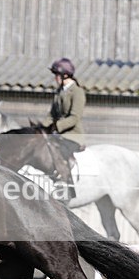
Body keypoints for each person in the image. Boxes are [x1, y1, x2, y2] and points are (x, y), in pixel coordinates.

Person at [47, 57, 86, 199]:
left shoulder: (77, 92)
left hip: (72, 135)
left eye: (56, 75)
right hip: (58, 133)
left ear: (64, 75)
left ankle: (67, 187)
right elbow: (51, 115)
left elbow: (75, 117)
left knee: (60, 151)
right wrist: (41, 128)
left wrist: (56, 126)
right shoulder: (59, 92)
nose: (55, 78)